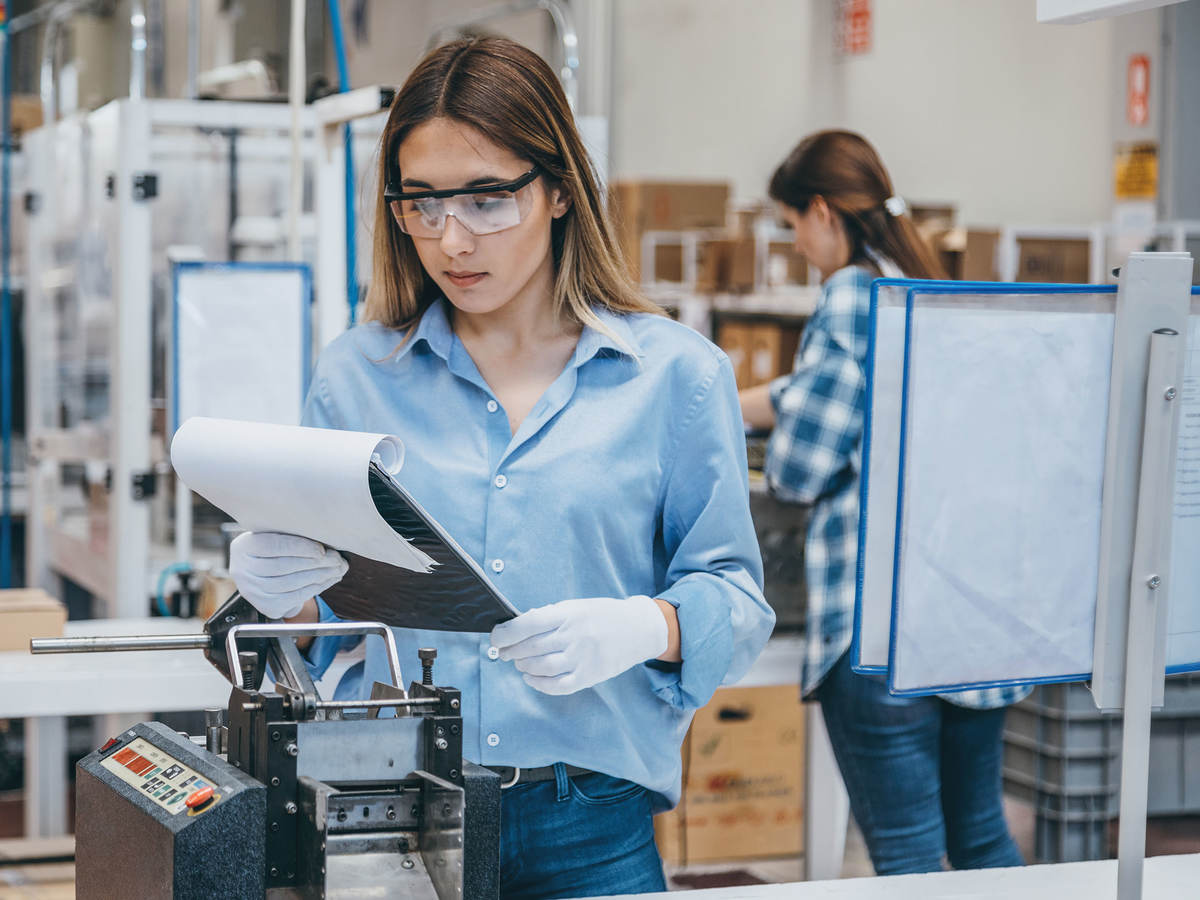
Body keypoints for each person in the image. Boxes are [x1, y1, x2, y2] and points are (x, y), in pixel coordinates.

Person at [228, 37, 774, 899]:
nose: (452, 239)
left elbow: (738, 601)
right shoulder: (357, 376)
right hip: (389, 816)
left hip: (589, 828)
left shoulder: (677, 378)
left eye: (487, 199)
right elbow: (324, 629)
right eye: (422, 203)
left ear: (559, 189)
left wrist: (647, 626)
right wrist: (279, 596)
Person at [739, 130, 1027, 875]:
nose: (798, 245)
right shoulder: (930, 288)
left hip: (882, 633)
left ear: (824, 211)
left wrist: (772, 437)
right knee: (983, 837)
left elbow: (800, 470)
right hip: (972, 625)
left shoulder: (847, 299)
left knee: (905, 859)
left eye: (794, 225)